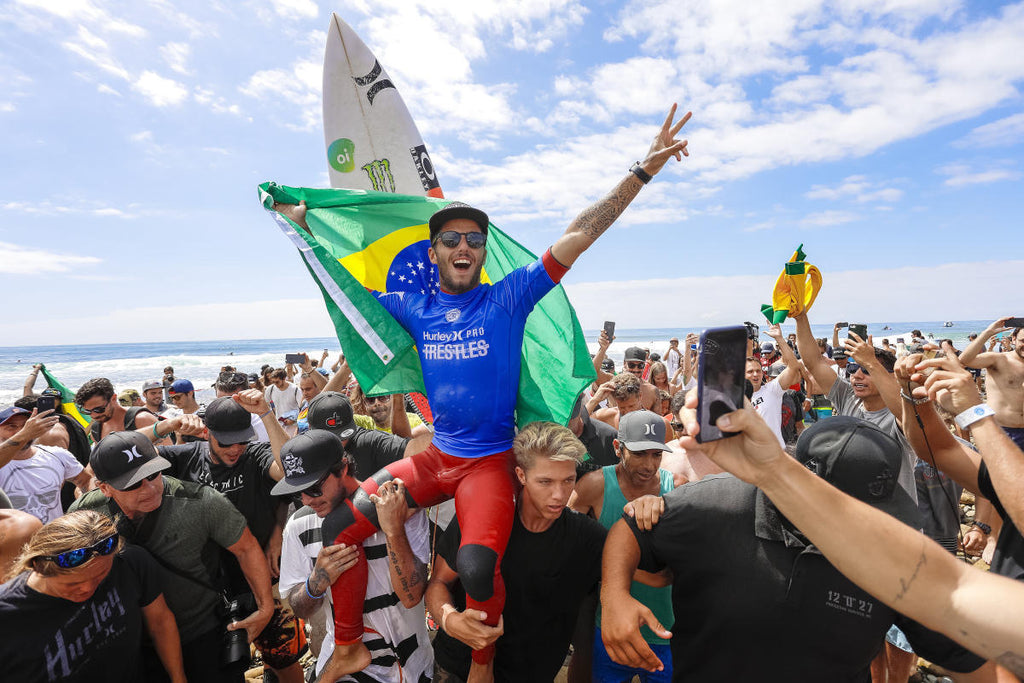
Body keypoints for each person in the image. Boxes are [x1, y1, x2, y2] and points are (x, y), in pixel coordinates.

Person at [278, 104, 691, 680]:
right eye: (451, 238)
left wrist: (640, 172)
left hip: (487, 467)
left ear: (482, 247)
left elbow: (579, 234)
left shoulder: (507, 299)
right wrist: (303, 224)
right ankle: (347, 642)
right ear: (436, 250)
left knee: (475, 567)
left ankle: (481, 664)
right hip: (435, 458)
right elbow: (348, 285)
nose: (464, 246)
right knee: (338, 526)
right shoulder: (414, 307)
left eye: (475, 238)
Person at [600, 412, 988, 681]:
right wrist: (614, 596)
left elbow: (973, 664)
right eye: (857, 510)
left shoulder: (892, 556)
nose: (873, 523)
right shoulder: (716, 505)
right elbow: (632, 529)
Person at [667, 388, 1023, 677]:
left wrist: (776, 472)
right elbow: (954, 588)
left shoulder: (894, 568)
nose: (868, 524)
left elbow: (956, 602)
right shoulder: (712, 502)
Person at [69, 430, 274, 682]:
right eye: (133, 483)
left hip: (202, 634)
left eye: (153, 474)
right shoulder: (86, 514)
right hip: (132, 644)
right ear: (105, 488)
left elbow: (246, 548)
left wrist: (265, 609)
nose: (149, 488)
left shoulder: (201, 502)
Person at [427, 421, 607, 682]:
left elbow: (635, 569)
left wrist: (647, 508)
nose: (559, 494)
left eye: (568, 480)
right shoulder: (482, 520)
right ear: (521, 475)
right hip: (458, 669)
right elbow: (438, 582)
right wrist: (450, 620)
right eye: (545, 482)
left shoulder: (587, 538)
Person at [149, 393, 305, 683]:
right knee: (225, 662)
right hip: (211, 585)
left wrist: (266, 413)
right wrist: (167, 426)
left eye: (242, 440)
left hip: (263, 575)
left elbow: (292, 470)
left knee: (283, 657)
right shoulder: (185, 457)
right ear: (207, 433)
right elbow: (118, 458)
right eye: (226, 442)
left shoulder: (255, 455)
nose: (235, 449)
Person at [277, 430, 433, 683]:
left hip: (412, 661)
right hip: (347, 667)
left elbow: (413, 594)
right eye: (298, 492)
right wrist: (316, 582)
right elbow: (298, 607)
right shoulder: (298, 526)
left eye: (314, 488)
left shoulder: (398, 508)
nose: (306, 500)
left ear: (344, 468)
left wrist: (393, 531)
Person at [0, 510, 186, 682]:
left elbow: (160, 622)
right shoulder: (7, 615)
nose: (87, 588)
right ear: (38, 567)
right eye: (72, 584)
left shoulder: (128, 563)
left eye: (100, 576)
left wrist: (179, 679)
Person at [570, 410, 675, 683]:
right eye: (640, 454)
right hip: (609, 629)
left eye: (656, 454)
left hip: (664, 631)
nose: (649, 465)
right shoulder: (594, 486)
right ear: (618, 447)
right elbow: (566, 542)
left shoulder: (676, 488)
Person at [794, 313, 918, 503]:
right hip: (854, 512)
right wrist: (801, 317)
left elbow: (905, 409)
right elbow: (814, 362)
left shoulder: (897, 414)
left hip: (896, 517)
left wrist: (871, 361)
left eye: (867, 370)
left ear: (890, 376)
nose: (857, 376)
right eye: (852, 369)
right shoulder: (849, 398)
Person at [0, 406, 94, 523]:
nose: (21, 430)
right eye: (11, 426)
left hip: (52, 537)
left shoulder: (57, 455)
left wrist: (83, 503)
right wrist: (24, 434)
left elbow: (86, 481)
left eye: (26, 425)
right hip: (12, 539)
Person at [959, 317, 1024, 448]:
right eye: (1023, 341)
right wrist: (988, 332)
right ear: (1014, 340)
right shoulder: (998, 359)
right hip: (1004, 431)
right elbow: (964, 360)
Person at [747, 323, 802, 447]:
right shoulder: (736, 397)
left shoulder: (772, 389)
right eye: (750, 372)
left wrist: (780, 339)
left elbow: (793, 367)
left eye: (758, 371)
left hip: (776, 455)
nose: (755, 374)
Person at [75, 377, 161, 444]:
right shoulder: (96, 430)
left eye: (99, 409)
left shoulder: (143, 420)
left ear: (113, 399)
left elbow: (169, 457)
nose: (93, 415)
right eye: (87, 411)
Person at [265, 369, 302, 437]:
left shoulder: (295, 389)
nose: (275, 384)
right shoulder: (270, 389)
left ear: (284, 378)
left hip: (293, 426)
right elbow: (266, 405)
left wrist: (293, 419)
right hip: (279, 425)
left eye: (277, 382)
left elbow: (302, 408)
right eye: (273, 382)